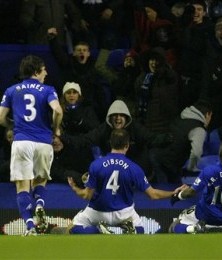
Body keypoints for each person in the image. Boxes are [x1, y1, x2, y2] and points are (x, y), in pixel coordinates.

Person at [66, 128, 184, 234]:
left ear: (110, 143)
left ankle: (97, 230)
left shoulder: (96, 165)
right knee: (140, 230)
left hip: (98, 211)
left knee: (73, 228)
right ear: (127, 145)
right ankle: (122, 230)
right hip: (123, 213)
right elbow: (153, 195)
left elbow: (86, 195)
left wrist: (75, 188)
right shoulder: (134, 168)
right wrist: (173, 193)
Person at [0, 55, 63, 236]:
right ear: (36, 71)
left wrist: (12, 126)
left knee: (22, 186)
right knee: (40, 180)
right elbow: (58, 110)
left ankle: (29, 226)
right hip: (43, 142)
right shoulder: (48, 89)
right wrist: (56, 129)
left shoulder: (12, 90)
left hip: (22, 141)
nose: (46, 72)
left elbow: (0, 117)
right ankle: (40, 205)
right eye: (44, 69)